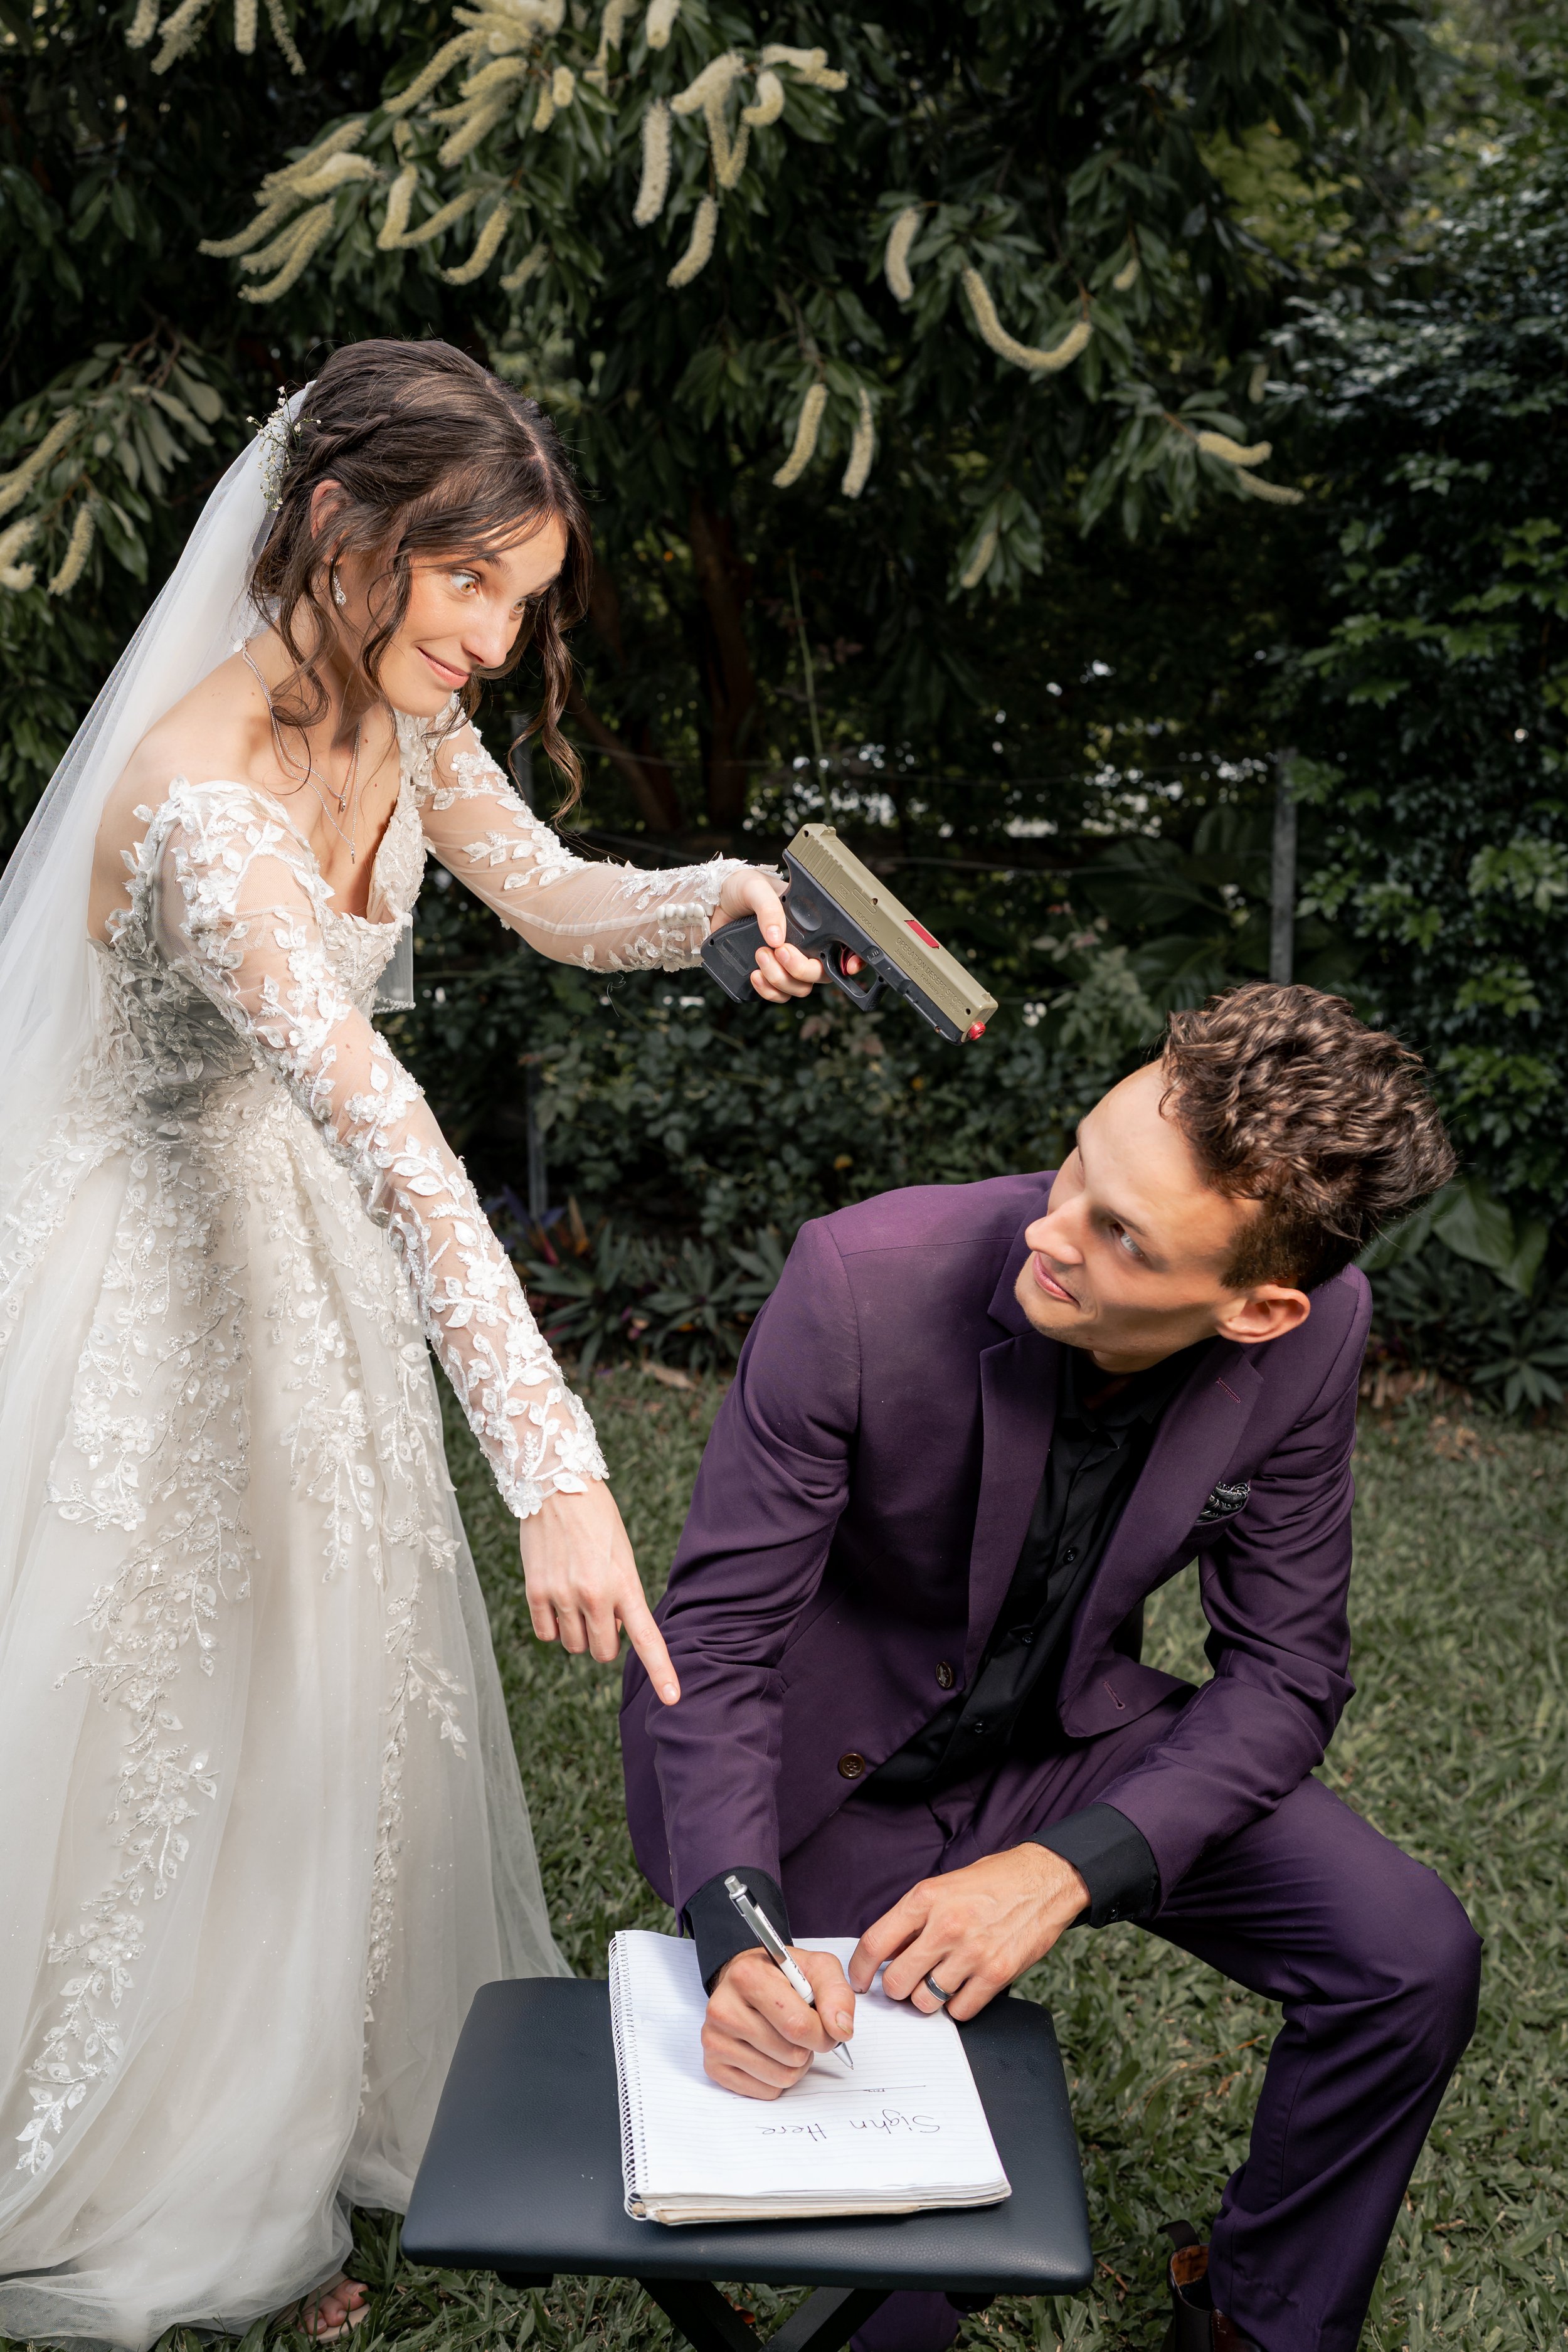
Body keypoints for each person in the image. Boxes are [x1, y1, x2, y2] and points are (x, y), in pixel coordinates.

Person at [0, 337, 840, 2350]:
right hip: (153, 1264)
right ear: (338, 536)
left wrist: (710, 892)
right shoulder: (204, 811)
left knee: (323, 1681)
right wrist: (557, 1462)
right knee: (148, 1705)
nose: (491, 636)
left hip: (296, 1249)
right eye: (467, 583)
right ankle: (129, 2148)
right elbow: (390, 1135)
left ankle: (297, 2085)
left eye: (521, 598)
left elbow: (544, 893)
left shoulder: (396, 703)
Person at [622, 984, 1481, 2352]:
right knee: (901, 2300)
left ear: (1254, 1310)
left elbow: (1286, 1673)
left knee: (1407, 1956)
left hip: (1067, 1741)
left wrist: (1070, 1864)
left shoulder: (1314, 1332)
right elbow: (718, 1644)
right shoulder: (859, 1280)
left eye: (1119, 1234)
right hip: (828, 1776)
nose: (1049, 1229)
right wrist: (740, 1930)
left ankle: (1257, 2320)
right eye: (1077, 1163)